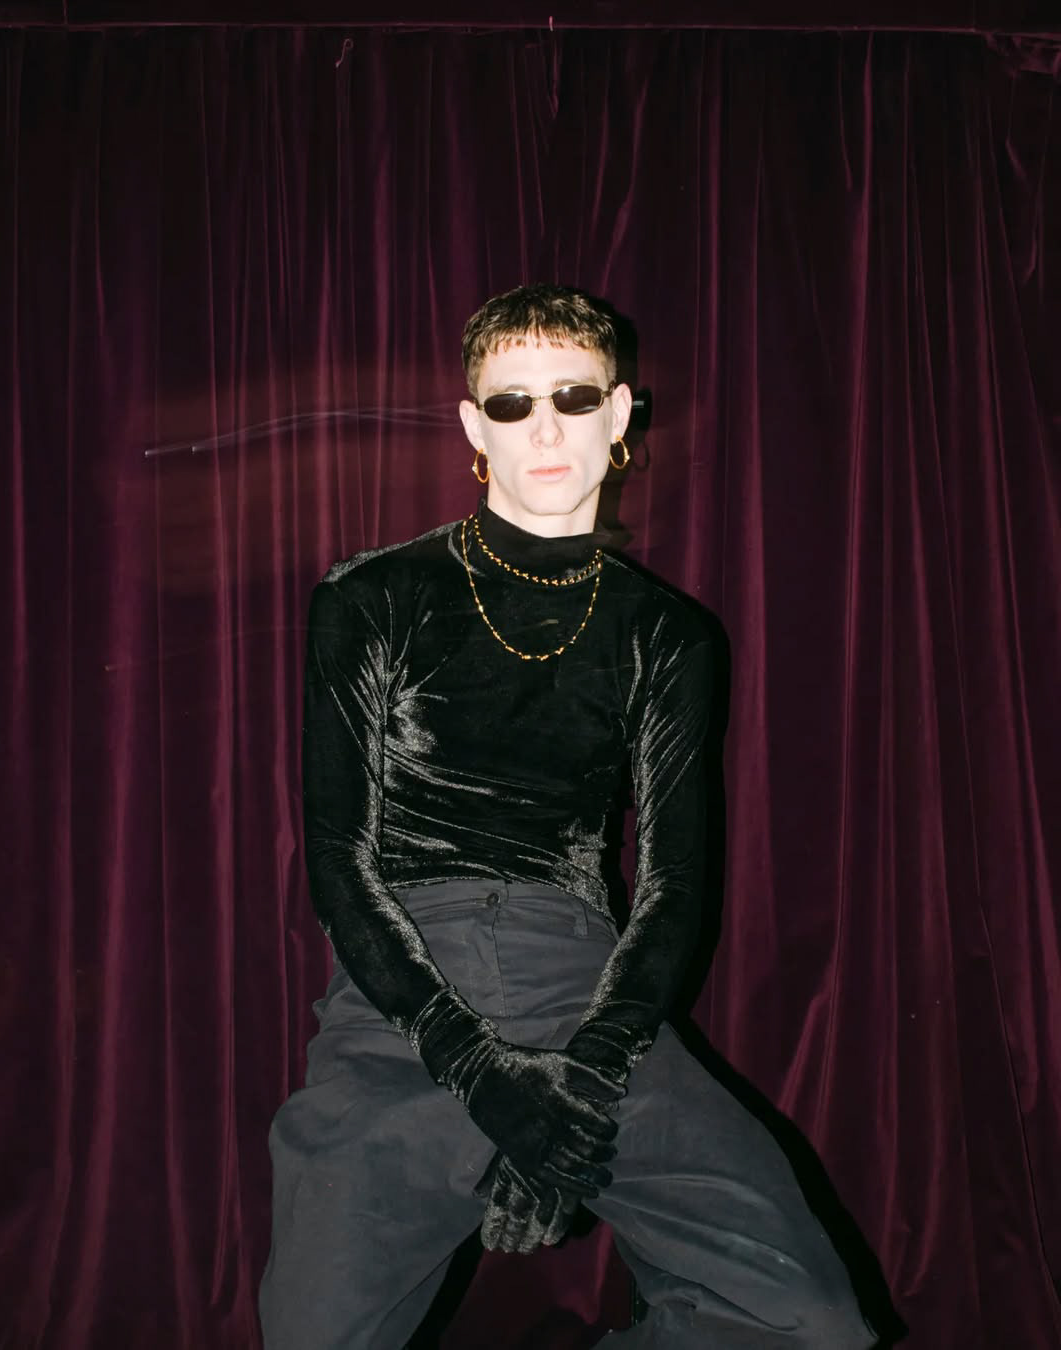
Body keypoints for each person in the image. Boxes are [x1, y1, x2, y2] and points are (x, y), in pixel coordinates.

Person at [259, 284, 875, 1348]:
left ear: (619, 412)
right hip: (404, 1004)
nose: (544, 428)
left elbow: (675, 886)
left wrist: (583, 1085)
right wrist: (476, 1071)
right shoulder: (371, 599)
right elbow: (337, 862)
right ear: (474, 427)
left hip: (593, 998)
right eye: (512, 403)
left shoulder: (667, 635)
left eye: (573, 396)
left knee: (809, 1320)